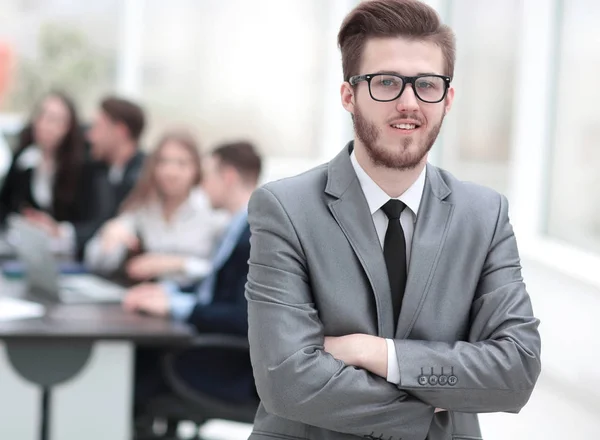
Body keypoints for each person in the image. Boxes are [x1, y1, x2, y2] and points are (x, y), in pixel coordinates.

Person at [245, 1, 542, 439]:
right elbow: (287, 383)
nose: (409, 103)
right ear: (349, 95)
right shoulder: (285, 208)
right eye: (386, 83)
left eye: (427, 84)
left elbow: (515, 371)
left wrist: (379, 354)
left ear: (448, 99)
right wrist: (439, 404)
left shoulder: (485, 214)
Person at [122, 141, 262, 416]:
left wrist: (177, 307)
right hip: (211, 350)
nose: (201, 185)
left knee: (128, 369)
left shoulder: (255, 236)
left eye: (207, 176)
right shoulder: (238, 227)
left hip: (223, 365)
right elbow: (216, 292)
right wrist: (169, 294)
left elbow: (246, 316)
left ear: (229, 177)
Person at [84, 130, 229, 285]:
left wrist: (175, 264)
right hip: (145, 298)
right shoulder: (144, 209)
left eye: (182, 163)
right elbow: (95, 261)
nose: (170, 172)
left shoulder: (212, 213)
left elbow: (224, 271)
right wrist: (110, 236)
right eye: (163, 162)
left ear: (196, 169)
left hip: (193, 302)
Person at [22, 96, 147, 259]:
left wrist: (61, 232)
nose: (90, 135)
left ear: (120, 131)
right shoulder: (101, 170)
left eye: (98, 127)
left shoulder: (142, 176)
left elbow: (106, 223)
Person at [0, 91, 86, 253]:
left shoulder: (81, 166)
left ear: (68, 127)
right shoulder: (25, 158)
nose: (45, 124)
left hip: (65, 250)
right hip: (24, 244)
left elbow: (89, 220)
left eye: (54, 119)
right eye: (42, 116)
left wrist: (57, 228)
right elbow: (5, 203)